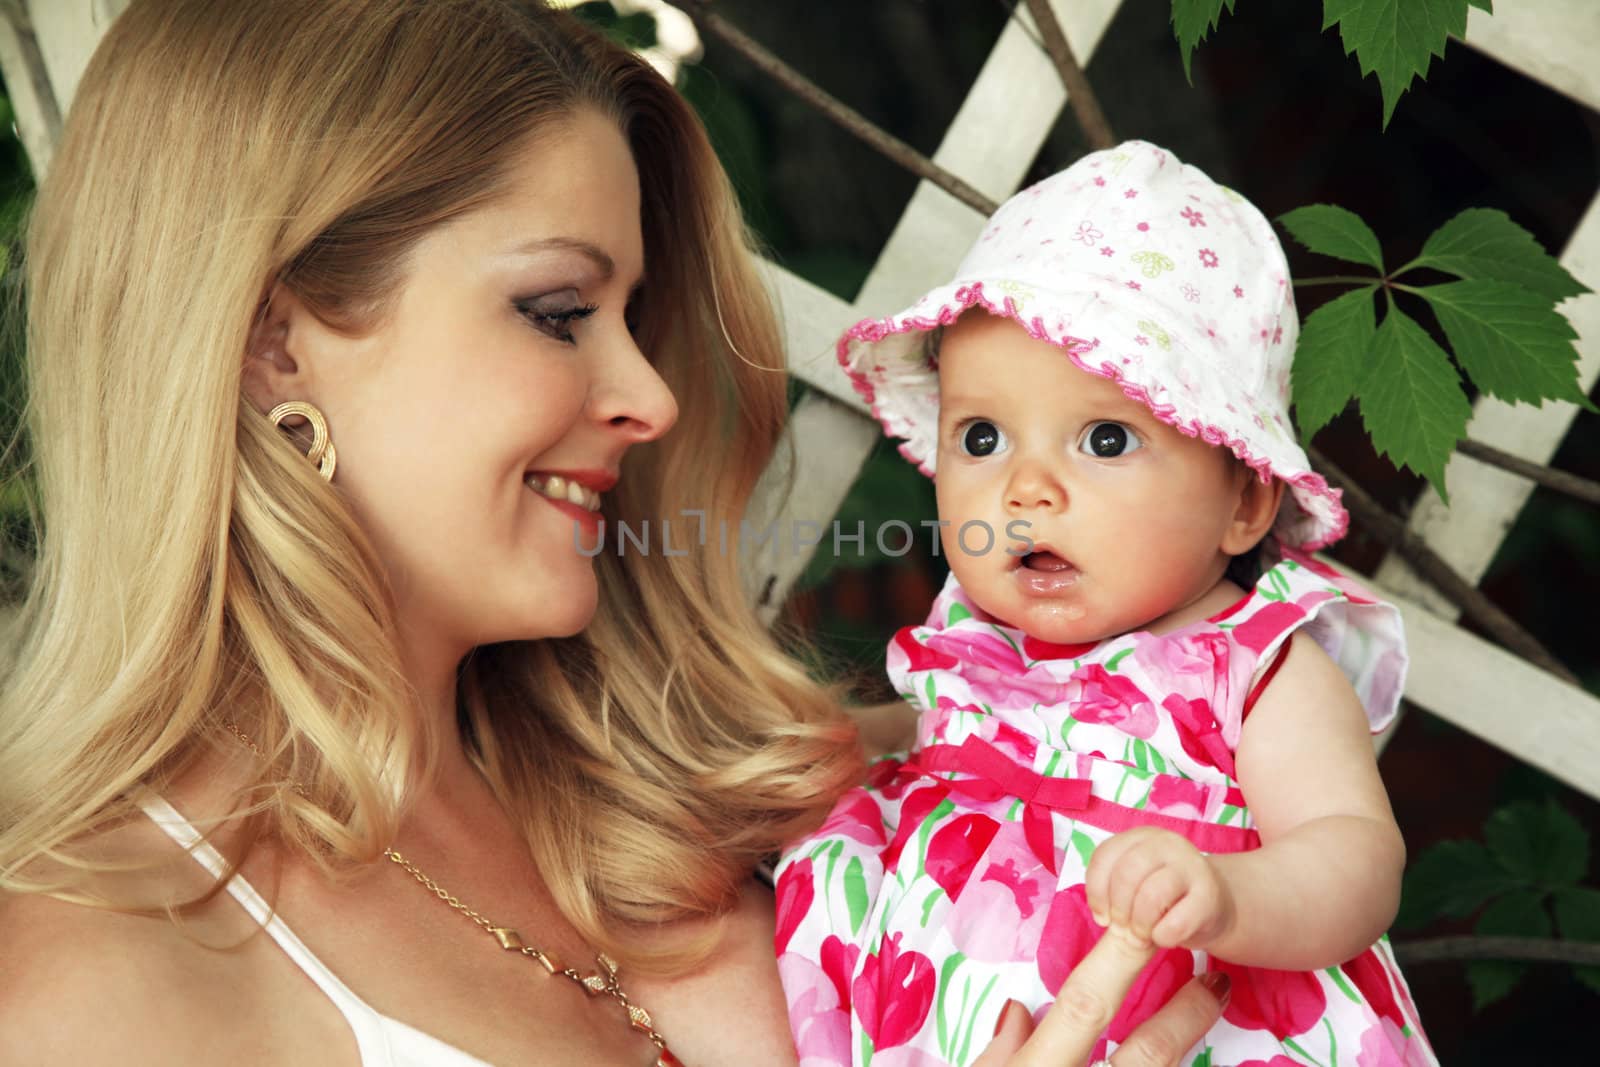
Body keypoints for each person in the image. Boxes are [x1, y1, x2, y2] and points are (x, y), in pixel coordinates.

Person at [0, 3, 1221, 1064]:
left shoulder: (691, 788)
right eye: (556, 310)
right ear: (275, 343)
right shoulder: (86, 972)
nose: (652, 395)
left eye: (631, 315)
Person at [777, 141, 1437, 1066]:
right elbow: (941, 740)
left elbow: (1357, 855)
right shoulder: (974, 631)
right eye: (982, 435)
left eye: (1105, 436)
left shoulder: (1256, 665)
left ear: (1244, 501)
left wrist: (1231, 895)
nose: (1026, 488)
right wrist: (848, 737)